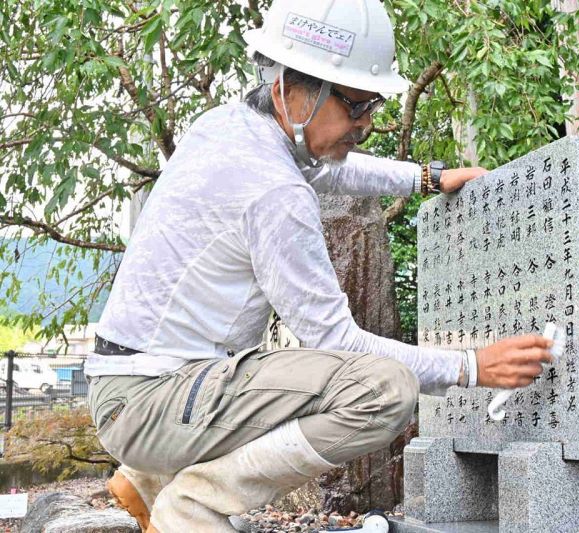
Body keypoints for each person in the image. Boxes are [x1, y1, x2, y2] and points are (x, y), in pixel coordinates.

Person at [86, 0, 554, 531]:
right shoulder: (274, 193)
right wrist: (470, 367)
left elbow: (325, 169)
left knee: (306, 375)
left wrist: (424, 178)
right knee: (381, 390)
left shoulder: (229, 129)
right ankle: (192, 503)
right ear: (289, 89)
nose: (367, 123)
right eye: (354, 107)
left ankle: (145, 477)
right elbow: (336, 342)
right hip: (154, 398)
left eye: (373, 105)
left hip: (143, 386)